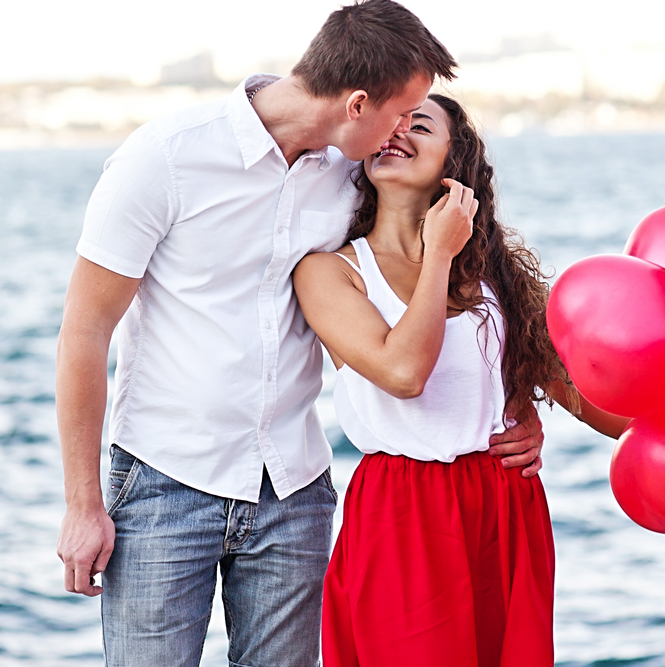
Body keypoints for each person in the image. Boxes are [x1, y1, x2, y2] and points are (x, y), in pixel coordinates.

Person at [54, 3, 543, 666]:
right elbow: (84, 330)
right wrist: (83, 505)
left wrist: (512, 409)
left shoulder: (352, 169)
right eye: (401, 114)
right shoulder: (165, 158)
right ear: (358, 104)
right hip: (166, 483)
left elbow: (434, 270)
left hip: (293, 493)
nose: (402, 133)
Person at [294, 94, 628, 667]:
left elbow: (586, 396)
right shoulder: (329, 271)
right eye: (389, 123)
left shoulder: (495, 276)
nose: (396, 131)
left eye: (418, 125)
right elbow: (404, 373)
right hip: (403, 510)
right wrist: (438, 255)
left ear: (456, 163)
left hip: (504, 503)